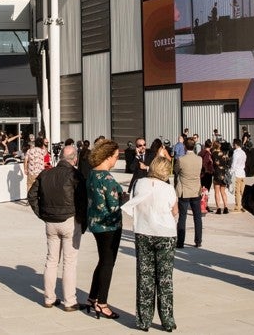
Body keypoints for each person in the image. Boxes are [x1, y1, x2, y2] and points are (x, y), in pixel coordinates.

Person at [122, 155, 178, 331]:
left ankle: (144, 320)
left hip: (143, 231)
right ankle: (167, 320)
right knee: (165, 278)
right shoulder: (168, 189)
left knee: (145, 276)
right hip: (165, 234)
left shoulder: (139, 183)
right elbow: (175, 210)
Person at [28, 142, 85, 311]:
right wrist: (82, 221)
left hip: (51, 221)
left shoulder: (46, 173)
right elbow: (83, 201)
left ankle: (49, 298)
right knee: (69, 262)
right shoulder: (75, 175)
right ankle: (70, 300)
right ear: (74, 159)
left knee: (51, 260)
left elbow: (32, 195)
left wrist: (42, 213)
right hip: (69, 220)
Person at [85, 139, 123, 319]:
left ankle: (92, 297)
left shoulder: (92, 173)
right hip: (110, 225)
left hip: (95, 223)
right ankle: (102, 303)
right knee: (108, 263)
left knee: (102, 261)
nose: (116, 160)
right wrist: (124, 199)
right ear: (108, 157)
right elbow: (114, 205)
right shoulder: (107, 178)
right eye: (115, 156)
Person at [175, 138, 203, 248]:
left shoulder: (181, 159)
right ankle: (198, 241)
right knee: (197, 217)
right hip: (196, 190)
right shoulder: (199, 159)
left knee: (182, 217)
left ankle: (180, 242)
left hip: (184, 190)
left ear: (185, 147)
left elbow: (176, 170)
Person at [213, 141, 232, 214]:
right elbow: (228, 163)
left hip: (217, 173)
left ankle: (218, 208)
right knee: (223, 191)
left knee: (217, 192)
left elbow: (213, 163)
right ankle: (225, 207)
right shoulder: (224, 154)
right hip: (223, 173)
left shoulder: (213, 154)